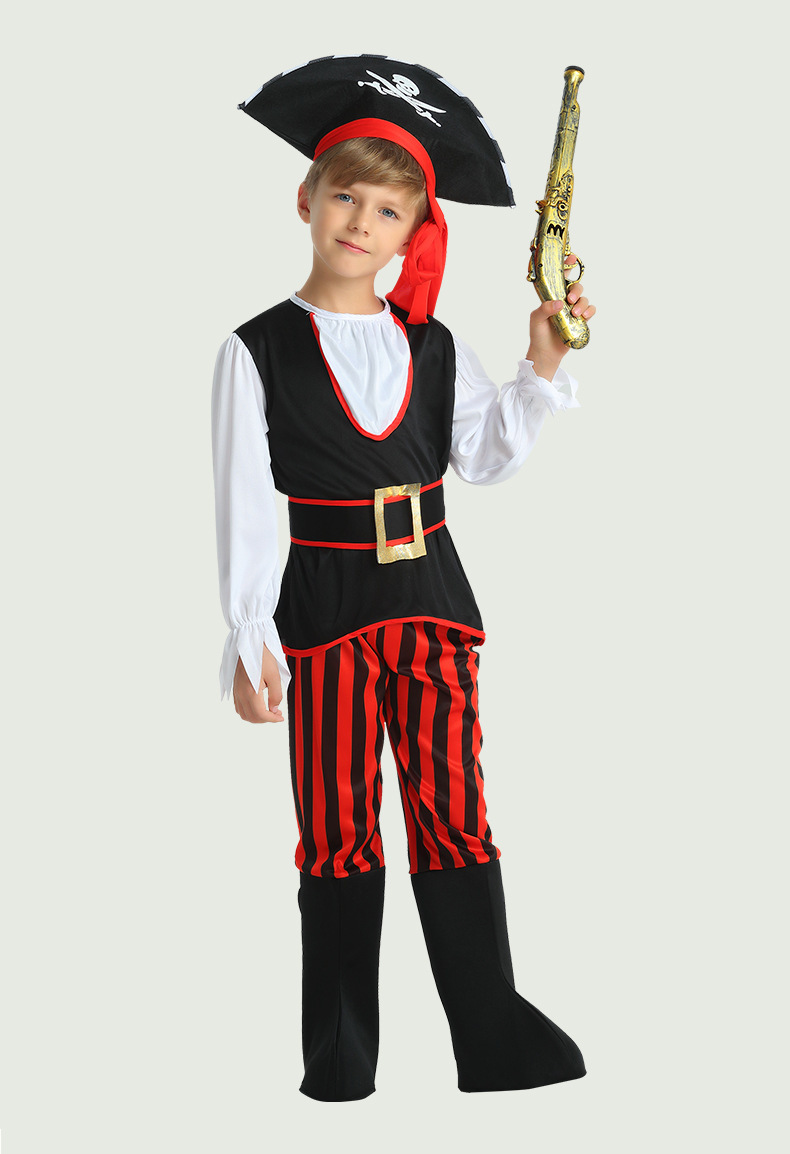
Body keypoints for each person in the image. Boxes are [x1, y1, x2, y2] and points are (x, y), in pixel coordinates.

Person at [211, 55, 596, 1102]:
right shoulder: (257, 350)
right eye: (346, 196)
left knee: (453, 811)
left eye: (388, 210)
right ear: (306, 198)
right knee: (336, 829)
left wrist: (543, 362)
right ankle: (340, 1060)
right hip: (324, 615)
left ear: (414, 230)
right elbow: (245, 504)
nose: (361, 222)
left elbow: (483, 458)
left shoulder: (432, 346)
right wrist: (249, 635)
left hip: (430, 607)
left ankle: (493, 1038)